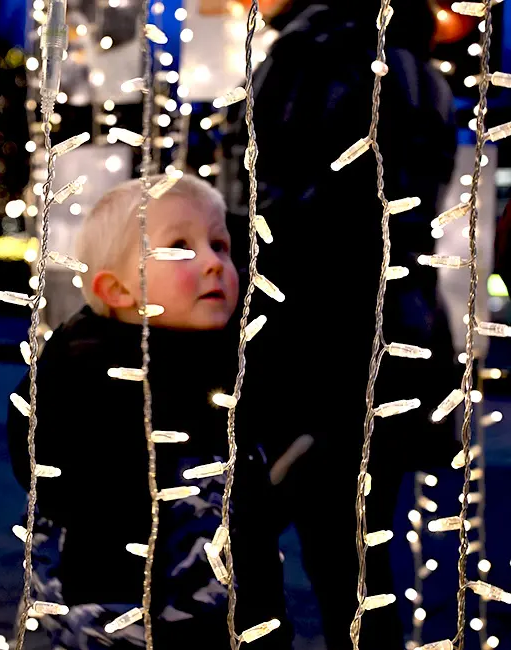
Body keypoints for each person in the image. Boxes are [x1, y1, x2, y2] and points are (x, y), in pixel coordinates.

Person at [223, 1, 460, 648]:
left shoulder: (313, 51)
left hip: (309, 335)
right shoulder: (414, 62)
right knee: (356, 556)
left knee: (239, 539)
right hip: (395, 329)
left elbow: (284, 210)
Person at [7, 176, 290, 649]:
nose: (213, 264)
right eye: (180, 247)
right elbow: (74, 511)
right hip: (127, 625)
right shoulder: (88, 377)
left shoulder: (220, 362)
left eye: (220, 245)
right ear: (118, 290)